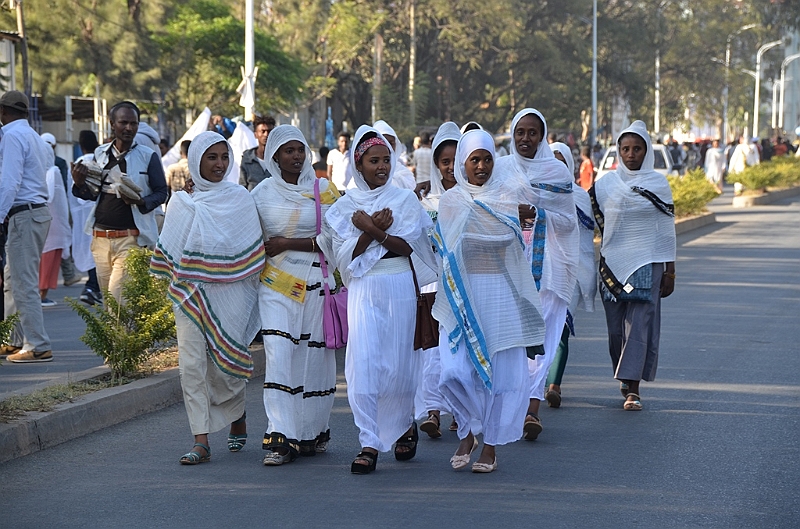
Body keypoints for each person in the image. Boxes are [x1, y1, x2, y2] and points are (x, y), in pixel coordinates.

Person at [319, 125, 438, 474]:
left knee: (399, 365)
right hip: (364, 288)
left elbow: (406, 247)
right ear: (359, 164)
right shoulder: (344, 208)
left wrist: (371, 229)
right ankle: (369, 441)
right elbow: (345, 260)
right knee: (365, 364)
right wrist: (371, 232)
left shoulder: (403, 200)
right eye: (374, 160)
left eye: (387, 159)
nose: (382, 166)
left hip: (398, 282)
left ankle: (403, 425)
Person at [432, 129, 545, 473]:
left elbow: (515, 247)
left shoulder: (508, 197)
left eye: (486, 159)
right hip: (460, 297)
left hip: (498, 295)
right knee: (454, 371)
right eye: (474, 160)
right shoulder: (451, 201)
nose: (481, 166)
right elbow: (446, 251)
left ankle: (490, 445)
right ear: (462, 164)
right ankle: (468, 428)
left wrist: (517, 223)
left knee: (499, 376)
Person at [150, 131, 266, 464]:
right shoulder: (182, 202)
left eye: (223, 157)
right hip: (189, 294)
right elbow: (171, 248)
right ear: (197, 160)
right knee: (191, 365)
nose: (219, 164)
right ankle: (200, 439)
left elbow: (251, 249)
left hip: (231, 292)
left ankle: (237, 412)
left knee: (225, 364)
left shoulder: (241, 199)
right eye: (211, 157)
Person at [252, 126, 340, 465]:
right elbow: (245, 232)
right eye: (288, 151)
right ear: (274, 155)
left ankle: (310, 431)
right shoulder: (260, 194)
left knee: (312, 358)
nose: (296, 156)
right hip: (275, 286)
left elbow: (336, 239)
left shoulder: (323, 190)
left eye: (300, 149)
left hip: (316, 283)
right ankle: (280, 435)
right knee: (278, 353)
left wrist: (288, 243)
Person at [496, 108, 579, 441]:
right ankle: (508, 404)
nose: (525, 138)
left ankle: (532, 407)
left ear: (543, 135)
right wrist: (512, 212)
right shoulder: (499, 168)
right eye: (520, 132)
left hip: (547, 268)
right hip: (506, 265)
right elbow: (485, 209)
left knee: (540, 338)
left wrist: (538, 213)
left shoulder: (556, 171)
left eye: (532, 132)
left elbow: (570, 221)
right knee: (510, 339)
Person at [591, 120, 676, 411]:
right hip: (612, 265)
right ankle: (624, 375)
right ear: (618, 151)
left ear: (646, 151)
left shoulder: (658, 184)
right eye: (625, 149)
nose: (631, 154)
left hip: (648, 264)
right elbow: (589, 220)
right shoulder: (604, 186)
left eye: (637, 148)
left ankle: (634, 389)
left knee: (638, 327)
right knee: (616, 331)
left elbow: (666, 229)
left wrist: (670, 269)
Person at [71, 101, 168, 303]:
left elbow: (161, 192)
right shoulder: (100, 153)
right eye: (124, 122)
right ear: (112, 124)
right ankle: (119, 336)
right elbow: (92, 193)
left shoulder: (147, 156)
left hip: (130, 239)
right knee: (109, 303)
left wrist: (141, 201)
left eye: (134, 123)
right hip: (101, 238)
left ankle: (122, 334)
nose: (129, 128)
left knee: (118, 300)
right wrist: (79, 184)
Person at [0, 91, 54, 363]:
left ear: (3, 112)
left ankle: (38, 344)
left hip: (24, 213)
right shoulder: (34, 136)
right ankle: (14, 339)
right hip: (34, 212)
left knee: (22, 282)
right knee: (13, 279)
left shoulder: (10, 135)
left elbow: (9, 182)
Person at [544, 142, 597, 407]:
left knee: (562, 328)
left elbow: (586, 238)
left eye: (560, 161)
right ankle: (536, 384)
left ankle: (554, 385)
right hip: (542, 272)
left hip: (572, 271)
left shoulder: (579, 196)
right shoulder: (536, 192)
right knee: (540, 330)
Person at [417, 121, 460, 438]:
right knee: (432, 352)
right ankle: (432, 411)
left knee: (458, 352)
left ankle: (461, 412)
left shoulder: (476, 197)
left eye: (456, 161)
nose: (450, 168)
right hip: (431, 286)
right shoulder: (424, 199)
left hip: (464, 287)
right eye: (444, 162)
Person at [40, 132, 81, 287]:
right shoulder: (57, 166)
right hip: (57, 210)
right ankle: (68, 274)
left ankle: (67, 274)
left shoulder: (39, 164)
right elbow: (62, 187)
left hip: (43, 212)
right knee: (60, 243)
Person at [39, 134, 72, 308]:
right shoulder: (53, 171)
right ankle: (41, 295)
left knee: (47, 259)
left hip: (48, 221)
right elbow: (51, 195)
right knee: (48, 260)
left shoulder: (47, 171)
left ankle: (42, 294)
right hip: (54, 223)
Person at [71, 131, 103, 306]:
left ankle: (92, 287)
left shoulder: (79, 164)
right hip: (100, 214)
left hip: (84, 216)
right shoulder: (101, 161)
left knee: (91, 251)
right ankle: (92, 287)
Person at [373, 120, 416, 191]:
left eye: (391, 143)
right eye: (383, 142)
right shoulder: (364, 174)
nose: (388, 147)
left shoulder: (403, 172)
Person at [239, 115, 276, 190]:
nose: (266, 135)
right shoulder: (247, 158)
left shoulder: (279, 158)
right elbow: (242, 186)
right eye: (263, 131)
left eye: (269, 131)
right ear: (255, 134)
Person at [413, 131, 433, 196]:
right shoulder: (432, 153)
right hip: (431, 184)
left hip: (419, 183)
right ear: (429, 141)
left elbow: (414, 168)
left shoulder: (416, 152)